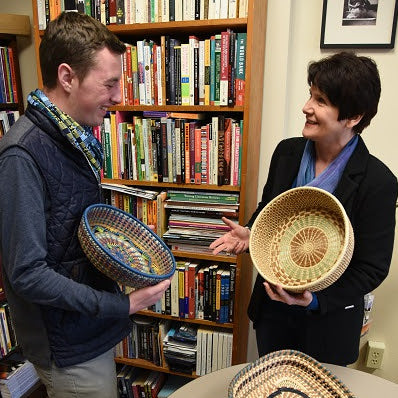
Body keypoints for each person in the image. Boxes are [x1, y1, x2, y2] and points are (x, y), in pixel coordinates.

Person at [0, 12, 170, 397]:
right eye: (109, 83)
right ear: (66, 77)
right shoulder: (21, 155)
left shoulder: (72, 138)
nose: (118, 97)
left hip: (85, 331)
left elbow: (69, 230)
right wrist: (119, 306)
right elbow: (27, 273)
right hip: (67, 346)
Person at [210, 51, 397, 366]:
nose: (306, 107)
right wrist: (251, 233)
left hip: (329, 324)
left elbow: (372, 268)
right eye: (311, 95)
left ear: (353, 117)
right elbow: (272, 212)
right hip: (273, 313)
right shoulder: (288, 152)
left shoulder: (378, 182)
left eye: (321, 101)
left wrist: (315, 300)